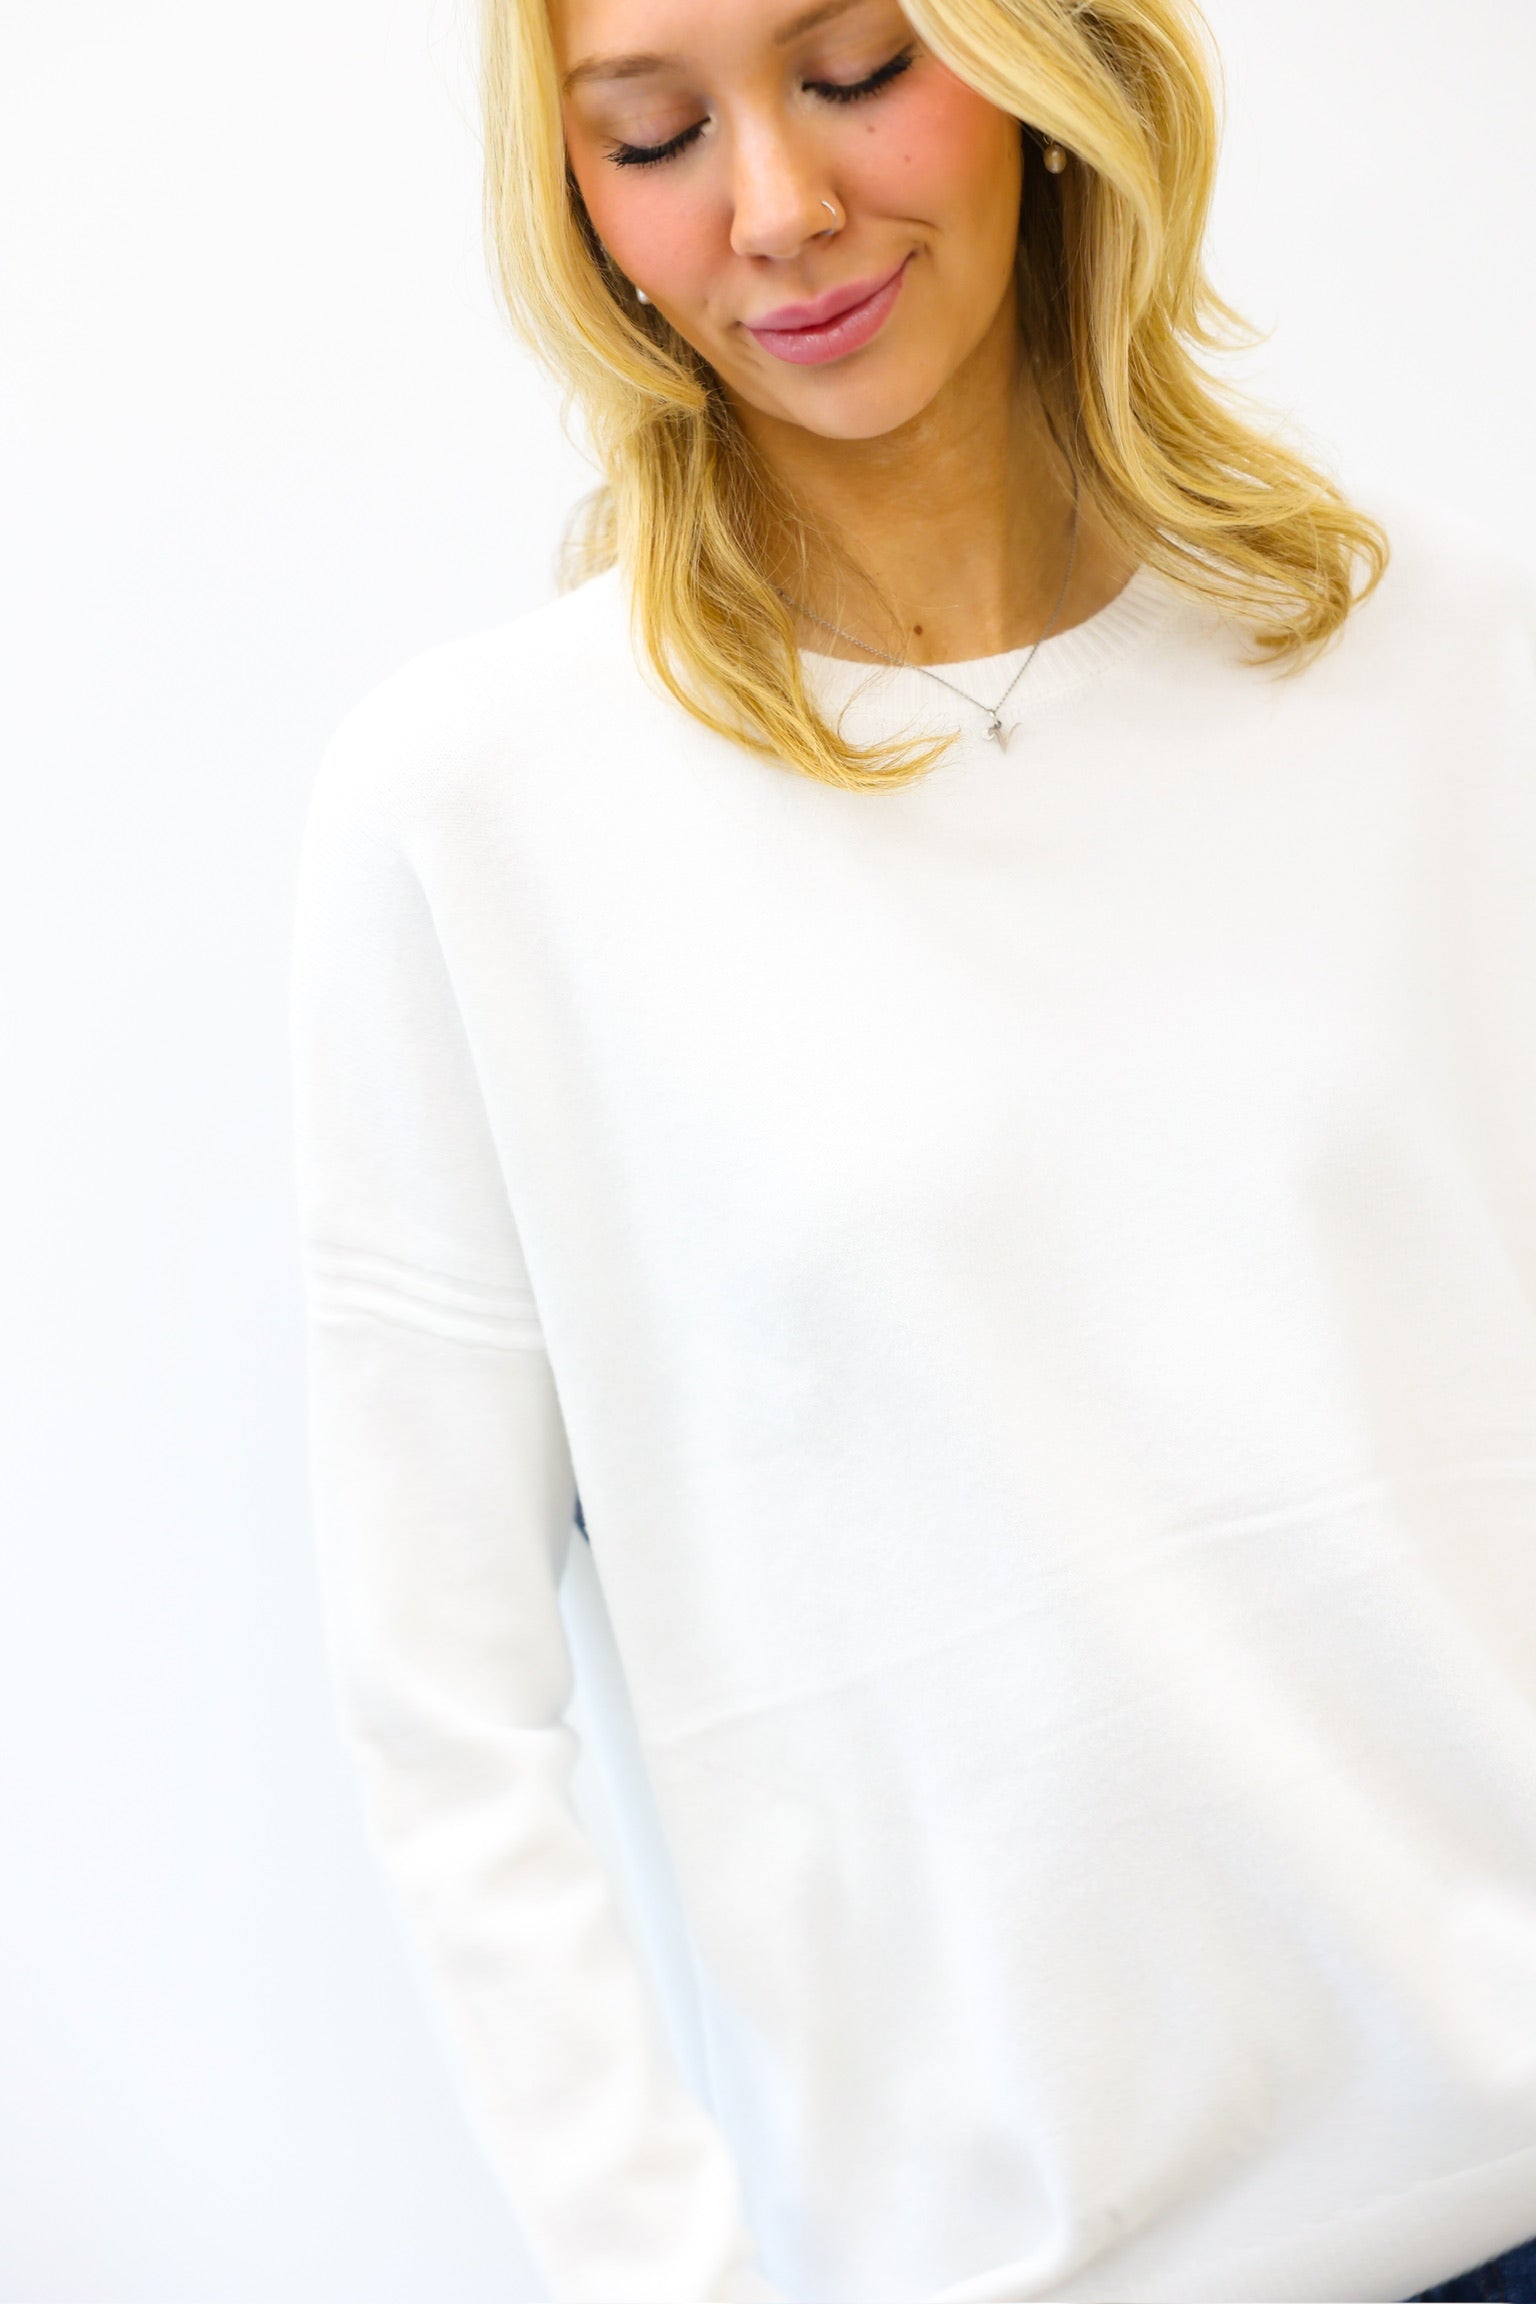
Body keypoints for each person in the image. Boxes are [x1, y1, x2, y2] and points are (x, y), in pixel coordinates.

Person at [286, 0, 1536, 2295]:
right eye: (653, 133)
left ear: (1052, 77)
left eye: (859, 74)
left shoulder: (1443, 660)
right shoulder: (480, 818)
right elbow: (445, 1717)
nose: (775, 210)